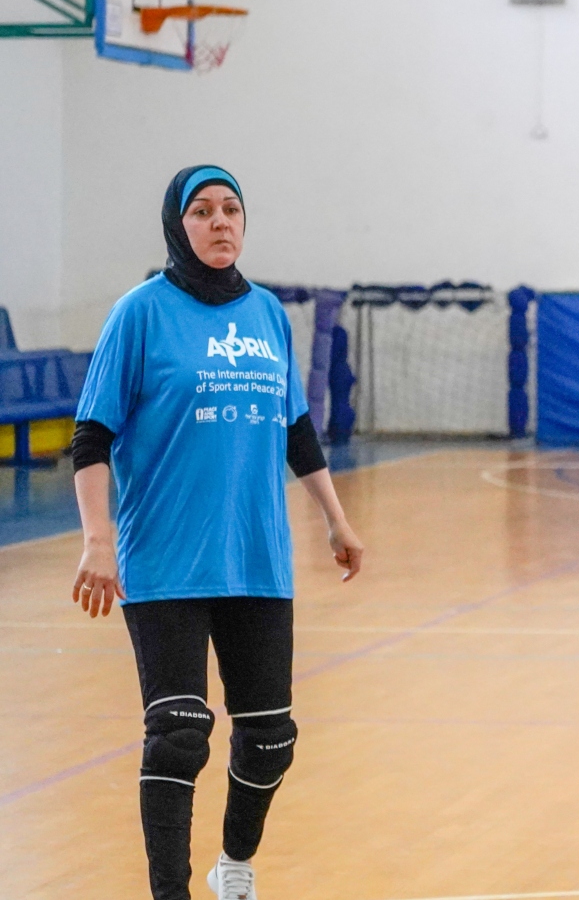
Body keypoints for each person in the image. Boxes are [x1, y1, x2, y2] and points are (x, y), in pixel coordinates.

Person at [70, 165, 366, 900]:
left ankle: (234, 863)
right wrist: (97, 539)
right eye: (201, 210)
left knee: (271, 738)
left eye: (231, 208)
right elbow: (90, 435)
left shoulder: (267, 313)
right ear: (178, 224)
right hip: (166, 556)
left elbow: (296, 428)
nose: (219, 221)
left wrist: (336, 516)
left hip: (257, 557)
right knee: (178, 731)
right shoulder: (140, 313)